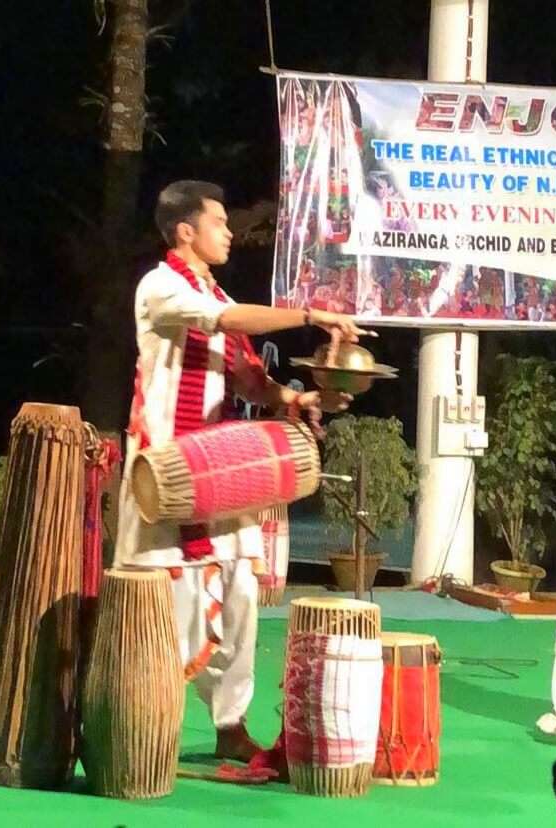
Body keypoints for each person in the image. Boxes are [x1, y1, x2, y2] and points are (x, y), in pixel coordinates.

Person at [114, 180, 361, 762]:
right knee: (169, 602)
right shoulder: (162, 286)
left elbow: (250, 378)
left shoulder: (212, 288)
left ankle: (230, 724)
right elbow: (225, 322)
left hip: (222, 472)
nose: (229, 232)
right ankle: (144, 718)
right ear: (185, 232)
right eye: (219, 222)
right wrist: (308, 313)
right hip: (167, 471)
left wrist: (294, 399)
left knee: (243, 592)